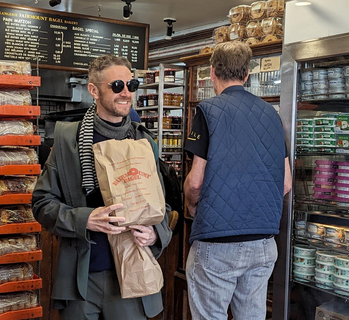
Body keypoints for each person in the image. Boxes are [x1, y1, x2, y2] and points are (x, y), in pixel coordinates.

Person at [32, 54, 172, 320]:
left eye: (132, 85)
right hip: (80, 279)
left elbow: (162, 205)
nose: (126, 93)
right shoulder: (67, 141)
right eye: (117, 86)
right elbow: (41, 203)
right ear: (93, 90)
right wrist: (85, 219)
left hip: (131, 274)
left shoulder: (144, 142)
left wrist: (155, 233)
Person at [183, 41, 292, 320]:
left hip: (216, 244)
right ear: (247, 75)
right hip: (264, 245)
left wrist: (192, 205)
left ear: (211, 72)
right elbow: (286, 183)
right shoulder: (273, 115)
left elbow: (195, 182)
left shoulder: (207, 111)